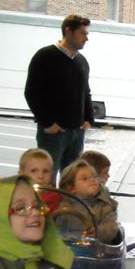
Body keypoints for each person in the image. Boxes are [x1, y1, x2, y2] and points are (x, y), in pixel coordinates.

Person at [24, 14, 94, 180]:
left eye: (87, 34)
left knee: (72, 181)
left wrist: (89, 119)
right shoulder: (45, 56)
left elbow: (85, 92)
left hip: (77, 132)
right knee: (46, 179)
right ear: (68, 31)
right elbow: (31, 92)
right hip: (53, 133)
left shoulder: (82, 61)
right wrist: (47, 123)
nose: (86, 38)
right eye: (83, 33)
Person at [57, 159, 119, 244]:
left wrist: (98, 231)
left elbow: (111, 226)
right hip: (71, 247)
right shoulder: (64, 206)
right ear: (71, 188)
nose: (92, 180)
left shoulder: (104, 204)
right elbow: (57, 229)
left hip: (98, 247)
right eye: (85, 178)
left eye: (94, 177)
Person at [17, 148, 61, 213]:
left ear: (52, 174)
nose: (40, 176)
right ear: (21, 174)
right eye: (34, 171)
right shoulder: (14, 195)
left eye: (45, 171)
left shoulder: (56, 197)